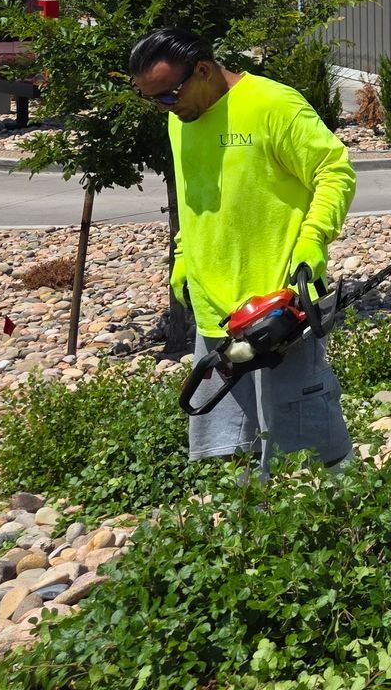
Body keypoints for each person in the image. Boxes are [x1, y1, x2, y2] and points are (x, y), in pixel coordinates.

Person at [128, 26, 357, 471]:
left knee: (310, 451)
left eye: (169, 95)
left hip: (279, 307)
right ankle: (249, 533)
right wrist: (182, 260)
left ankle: (349, 530)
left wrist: (312, 242)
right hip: (216, 312)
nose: (164, 108)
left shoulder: (272, 104)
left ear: (203, 69)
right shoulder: (181, 119)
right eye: (152, 98)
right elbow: (195, 203)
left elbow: (334, 171)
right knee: (235, 454)